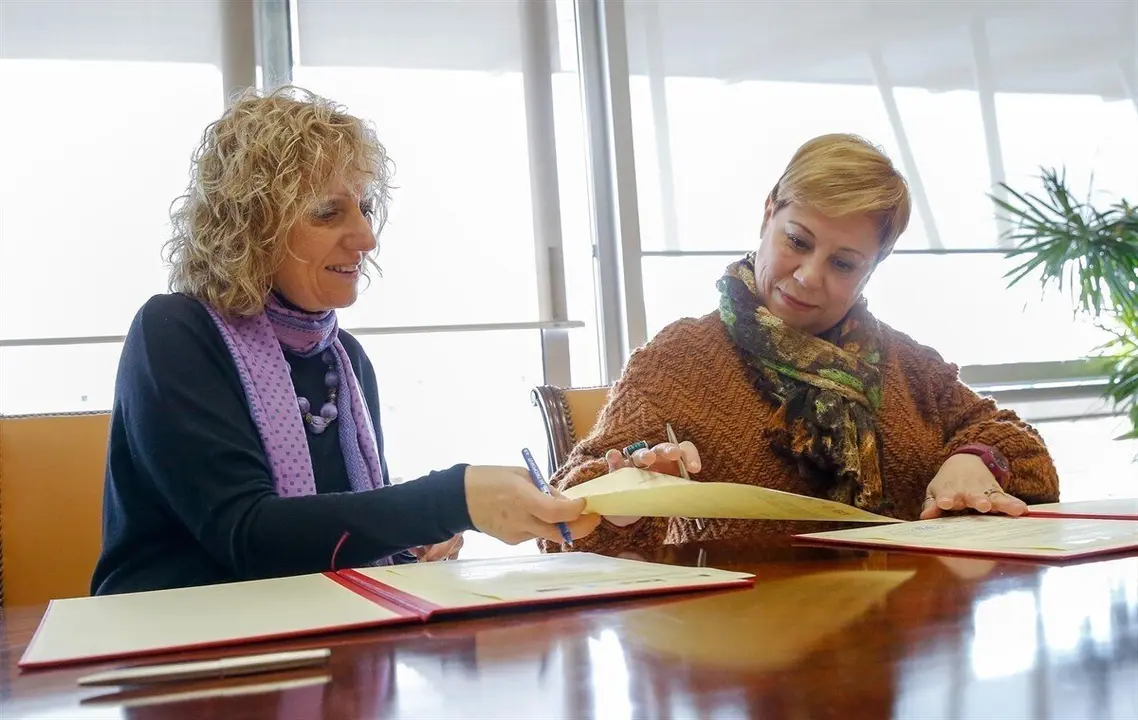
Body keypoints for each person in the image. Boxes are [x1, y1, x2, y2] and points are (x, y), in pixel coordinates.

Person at [91, 86, 598, 595]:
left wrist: (414, 542)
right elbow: (247, 536)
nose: (366, 238)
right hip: (171, 629)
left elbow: (327, 532)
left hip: (314, 620)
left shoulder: (345, 359)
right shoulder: (174, 330)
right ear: (252, 225)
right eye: (327, 212)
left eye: (365, 208)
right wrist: (447, 502)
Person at [541, 133, 1059, 554]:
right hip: (741, 636)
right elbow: (560, 521)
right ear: (768, 213)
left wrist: (975, 460)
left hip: (899, 633)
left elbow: (1025, 454)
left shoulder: (910, 366)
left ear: (873, 268)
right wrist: (625, 497)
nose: (809, 276)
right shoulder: (678, 359)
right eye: (797, 241)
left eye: (843, 263)